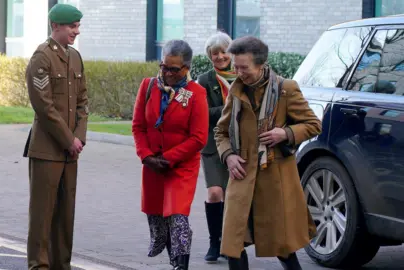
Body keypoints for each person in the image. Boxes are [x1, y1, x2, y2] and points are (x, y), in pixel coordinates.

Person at [213, 36, 322, 270]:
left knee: (283, 248)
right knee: (233, 245)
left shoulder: (286, 89)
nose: (238, 72)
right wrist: (229, 156)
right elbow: (221, 132)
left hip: (274, 180)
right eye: (236, 66)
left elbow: (314, 124)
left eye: (244, 67)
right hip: (241, 177)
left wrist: (285, 133)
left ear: (261, 65)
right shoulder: (236, 90)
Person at [131, 39, 209, 270]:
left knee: (177, 216)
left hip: (181, 165)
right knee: (159, 217)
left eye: (173, 69)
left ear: (186, 68)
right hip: (152, 163)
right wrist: (146, 156)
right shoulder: (147, 87)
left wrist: (168, 158)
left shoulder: (195, 93)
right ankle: (173, 258)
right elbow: (138, 127)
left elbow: (198, 138)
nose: (167, 73)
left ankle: (180, 265)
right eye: (163, 66)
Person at [23, 3, 89, 270]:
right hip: (47, 150)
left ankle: (62, 265)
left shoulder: (75, 57)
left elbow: (83, 101)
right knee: (42, 216)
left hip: (70, 151)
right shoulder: (42, 58)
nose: (77, 31)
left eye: (77, 26)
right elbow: (44, 106)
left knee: (65, 216)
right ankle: (38, 266)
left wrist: (80, 138)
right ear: (55, 27)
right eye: (72, 26)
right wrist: (68, 140)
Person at [196, 31, 237, 263]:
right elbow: (202, 114)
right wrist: (229, 108)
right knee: (215, 193)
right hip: (213, 144)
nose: (220, 57)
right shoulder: (205, 80)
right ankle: (215, 241)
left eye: (224, 52)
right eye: (215, 53)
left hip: (240, 145)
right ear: (209, 56)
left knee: (234, 196)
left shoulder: (242, 76)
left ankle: (230, 243)